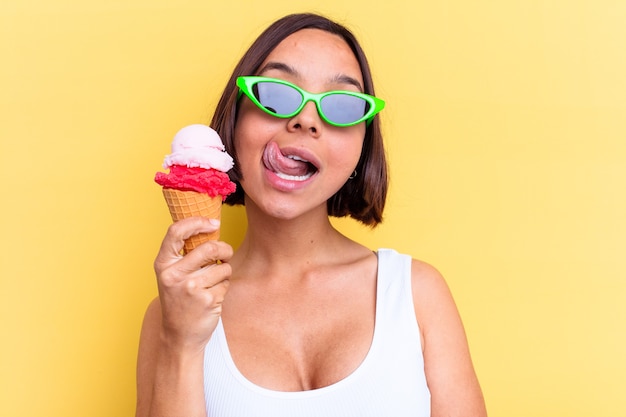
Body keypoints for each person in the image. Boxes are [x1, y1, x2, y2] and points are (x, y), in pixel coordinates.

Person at [136, 13, 487, 417]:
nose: (305, 119)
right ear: (235, 122)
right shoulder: (173, 312)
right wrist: (181, 342)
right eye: (277, 93)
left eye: (342, 105)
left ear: (361, 149)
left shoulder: (416, 295)